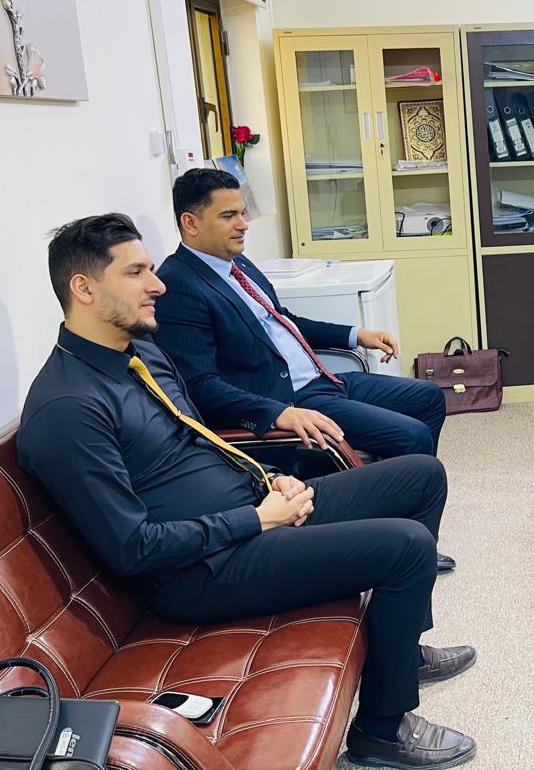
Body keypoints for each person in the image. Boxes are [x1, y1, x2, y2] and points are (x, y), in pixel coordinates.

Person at [17, 214, 476, 769]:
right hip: (200, 570)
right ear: (84, 288)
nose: (157, 285)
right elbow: (132, 548)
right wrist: (258, 519)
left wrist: (269, 479)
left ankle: (400, 648)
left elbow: (201, 442)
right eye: (136, 273)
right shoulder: (68, 408)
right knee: (407, 547)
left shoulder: (141, 354)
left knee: (421, 475)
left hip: (251, 508)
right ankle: (382, 728)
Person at [152, 170, 458, 569]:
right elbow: (199, 386)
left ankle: (405, 522)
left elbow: (284, 319)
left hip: (322, 379)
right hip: (289, 400)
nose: (243, 224)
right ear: (190, 223)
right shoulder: (178, 286)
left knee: (428, 397)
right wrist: (278, 412)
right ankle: (410, 547)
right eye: (229, 216)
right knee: (410, 435)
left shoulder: (236, 263)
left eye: (243, 213)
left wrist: (355, 334)